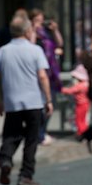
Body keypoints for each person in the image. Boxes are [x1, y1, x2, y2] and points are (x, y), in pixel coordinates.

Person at [0, 15, 53, 185]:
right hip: (33, 101)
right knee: (31, 140)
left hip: (12, 101)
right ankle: (26, 175)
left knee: (11, 134)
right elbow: (42, 76)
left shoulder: (3, 51)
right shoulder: (35, 50)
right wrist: (48, 99)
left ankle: (5, 160)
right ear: (27, 31)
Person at [29, 8, 63, 145]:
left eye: (42, 20)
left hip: (51, 72)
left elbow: (60, 43)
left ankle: (42, 130)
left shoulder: (47, 33)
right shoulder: (30, 33)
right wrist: (33, 30)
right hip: (37, 72)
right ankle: (38, 133)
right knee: (40, 105)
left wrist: (55, 30)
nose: (40, 24)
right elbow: (30, 46)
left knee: (50, 103)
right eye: (37, 20)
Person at [61, 64, 90, 137]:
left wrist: (60, 89)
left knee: (78, 120)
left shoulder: (79, 86)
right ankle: (85, 133)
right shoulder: (86, 84)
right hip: (86, 104)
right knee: (83, 120)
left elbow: (70, 91)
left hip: (80, 105)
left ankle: (82, 134)